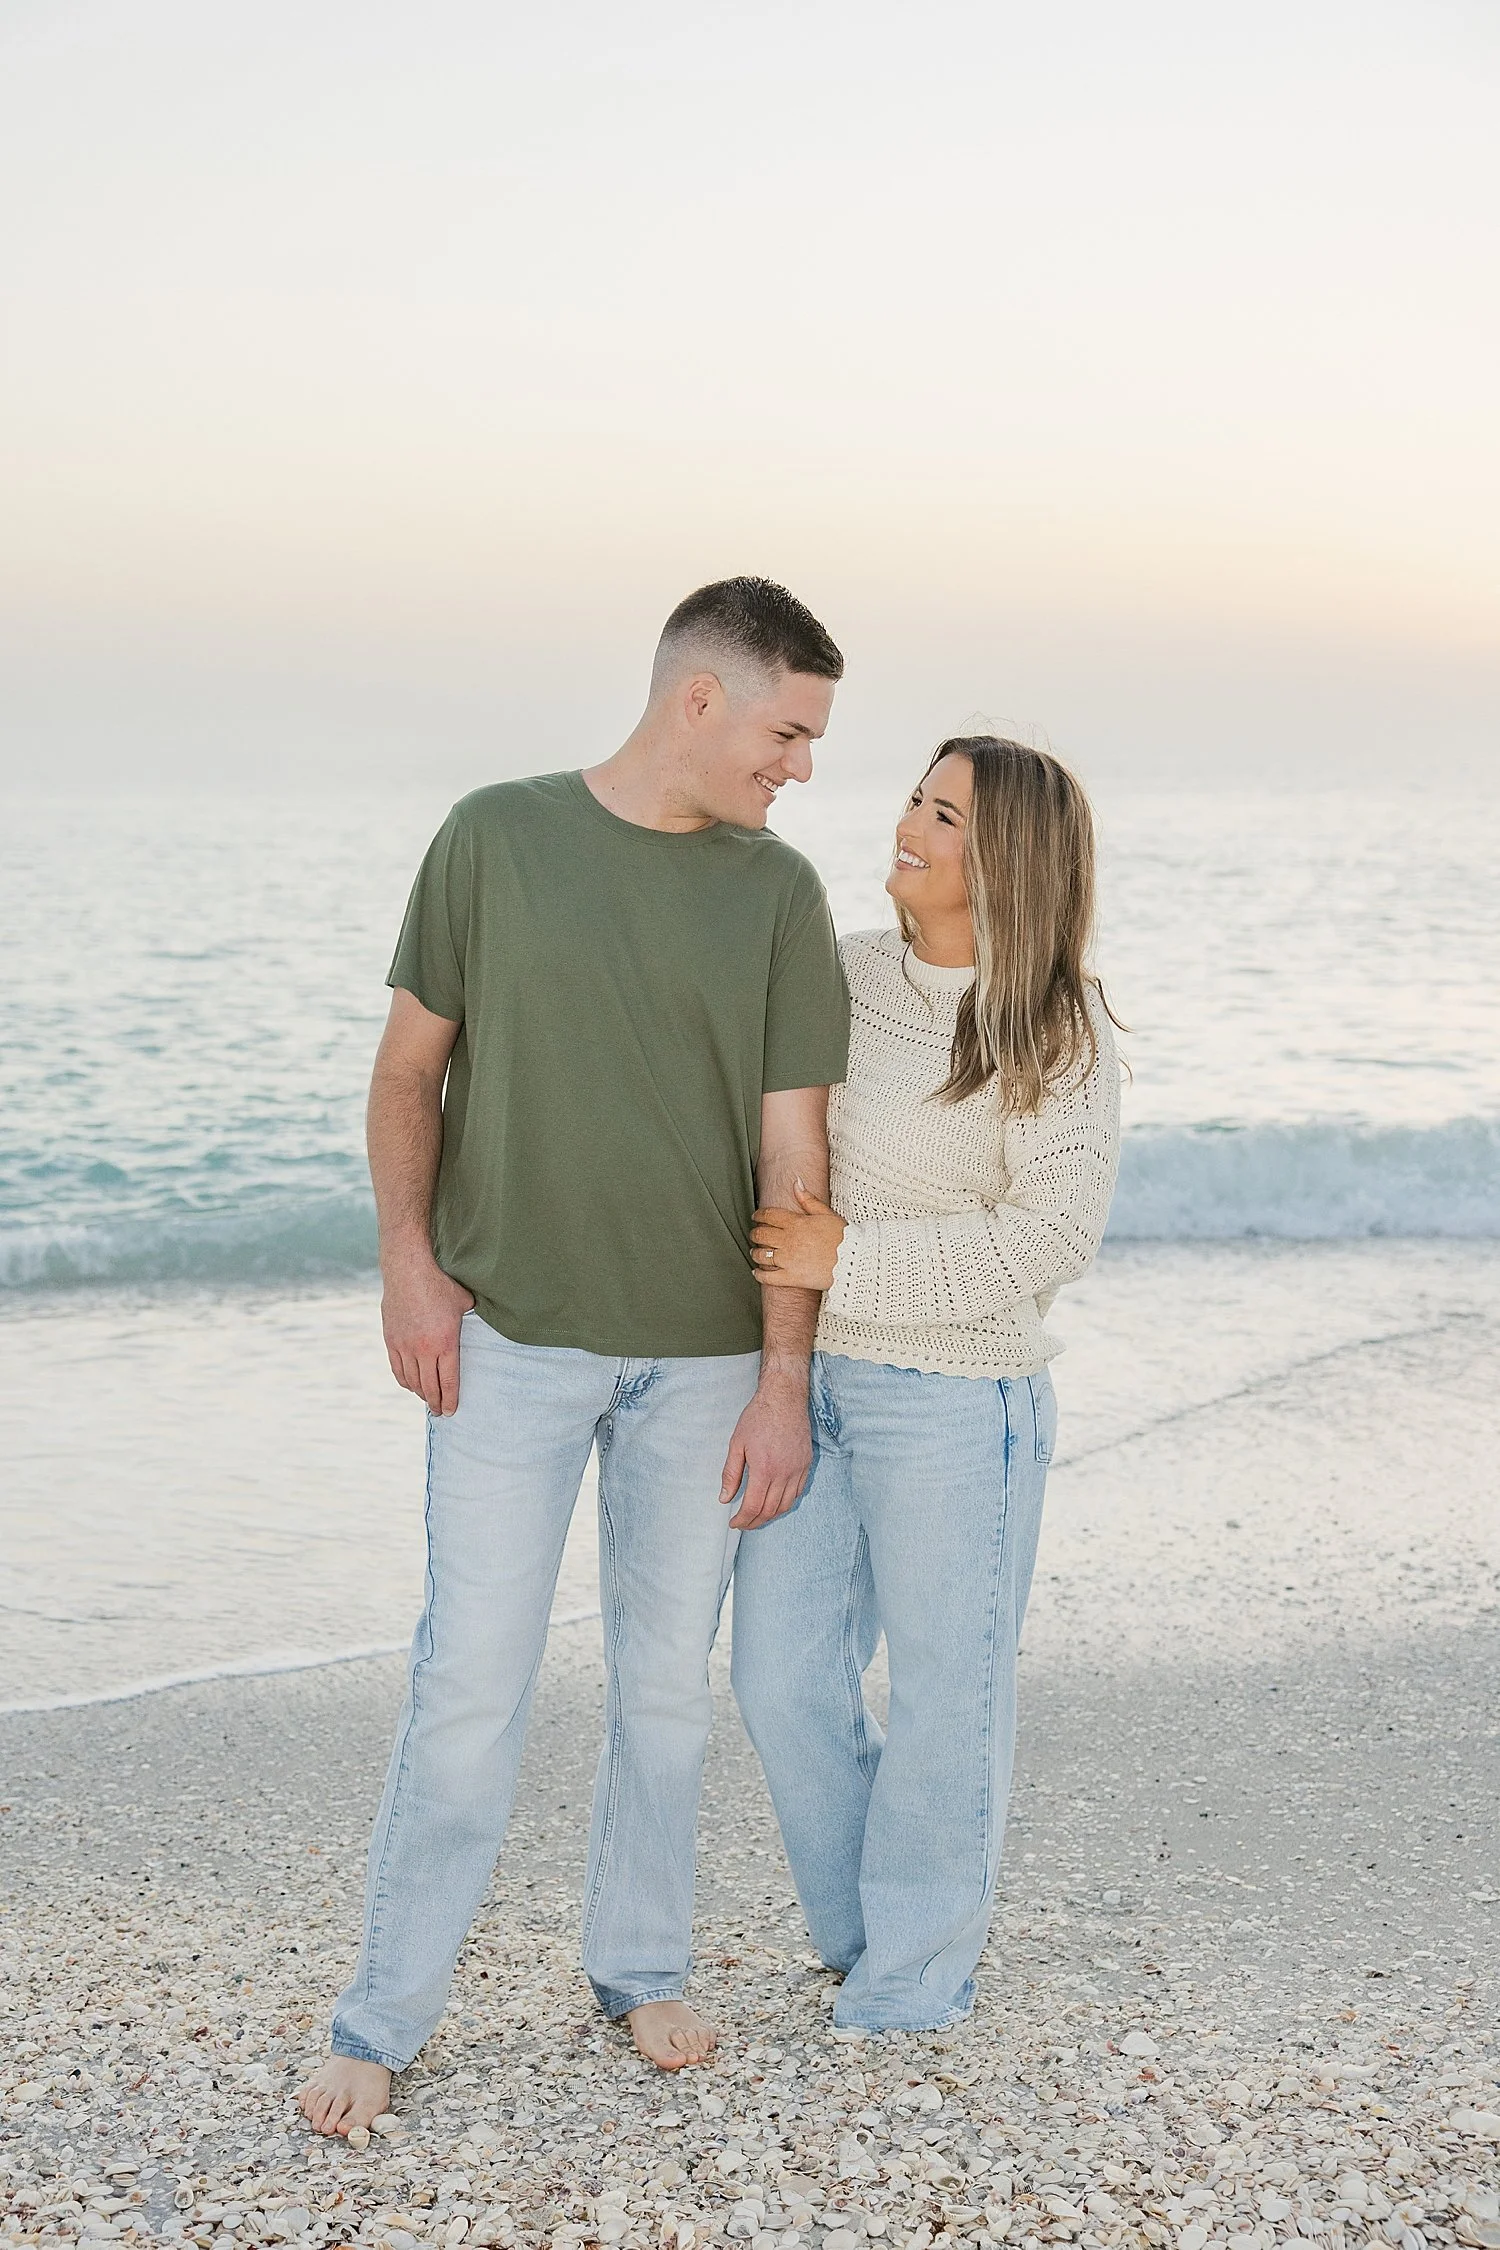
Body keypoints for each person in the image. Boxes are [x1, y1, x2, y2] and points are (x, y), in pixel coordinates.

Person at [298, 578, 850, 2137]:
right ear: (700, 699)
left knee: (665, 1690)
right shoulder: (494, 834)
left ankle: (638, 1961)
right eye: (787, 731)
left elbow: (794, 1159)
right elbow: (410, 1069)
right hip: (508, 1345)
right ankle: (384, 2013)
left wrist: (783, 1377)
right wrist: (409, 1264)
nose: (798, 766)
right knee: (469, 1678)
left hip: (701, 1361)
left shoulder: (777, 896)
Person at [731, 735, 1121, 2035]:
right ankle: (866, 1940)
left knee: (950, 1699)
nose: (907, 824)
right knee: (781, 1680)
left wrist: (852, 1260)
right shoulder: (840, 973)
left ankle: (911, 1987)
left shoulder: (1055, 1030)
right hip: (807, 1382)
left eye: (943, 813)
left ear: (1004, 856)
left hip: (959, 1405)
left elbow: (1048, 1242)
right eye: (914, 797)